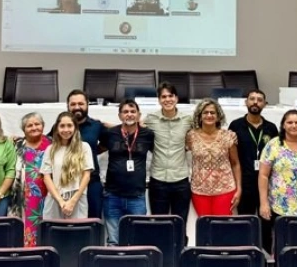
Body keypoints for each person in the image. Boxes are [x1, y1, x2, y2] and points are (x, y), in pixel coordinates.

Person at [258, 110, 297, 252]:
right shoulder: (273, 145)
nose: (294, 125)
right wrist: (263, 203)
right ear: (283, 125)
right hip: (279, 206)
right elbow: (263, 175)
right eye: (289, 122)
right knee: (281, 247)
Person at [100, 99, 154, 245]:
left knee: (137, 240)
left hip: (136, 196)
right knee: (113, 241)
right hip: (112, 196)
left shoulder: (148, 135)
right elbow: (97, 150)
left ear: (138, 115)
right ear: (119, 116)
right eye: (125, 112)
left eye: (132, 111)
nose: (129, 114)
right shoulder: (110, 134)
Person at [144, 82, 192, 231]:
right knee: (158, 225)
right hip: (158, 181)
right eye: (163, 96)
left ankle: (180, 253)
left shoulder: (188, 120)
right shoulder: (151, 119)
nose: (167, 99)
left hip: (181, 181)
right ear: (159, 100)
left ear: (176, 98)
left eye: (170, 96)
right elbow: (131, 127)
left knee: (180, 224)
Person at [186, 99, 241, 217]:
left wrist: (239, 189)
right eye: (205, 113)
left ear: (218, 116)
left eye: (213, 113)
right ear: (200, 116)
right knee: (204, 227)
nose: (209, 115)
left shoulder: (229, 136)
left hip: (225, 190)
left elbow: (235, 163)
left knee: (222, 227)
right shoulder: (191, 136)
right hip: (199, 190)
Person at [229, 90, 279, 215]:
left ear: (265, 104)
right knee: (246, 222)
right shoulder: (235, 126)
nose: (255, 102)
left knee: (266, 222)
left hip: (267, 182)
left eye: (259, 100)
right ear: (246, 102)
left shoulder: (271, 128)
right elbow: (231, 157)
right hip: (245, 182)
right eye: (252, 99)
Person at [41, 112, 94, 219]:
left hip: (77, 198)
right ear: (57, 128)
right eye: (62, 126)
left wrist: (72, 201)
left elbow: (86, 176)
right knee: (53, 233)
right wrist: (61, 201)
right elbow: (46, 177)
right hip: (55, 198)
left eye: (69, 125)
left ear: (75, 127)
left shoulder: (84, 147)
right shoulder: (50, 149)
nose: (66, 130)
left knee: (75, 234)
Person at [63, 90, 106, 219]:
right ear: (68, 106)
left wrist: (91, 152)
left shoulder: (96, 126)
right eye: (73, 104)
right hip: (66, 183)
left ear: (87, 104)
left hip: (92, 182)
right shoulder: (61, 126)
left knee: (94, 221)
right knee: (68, 221)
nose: (77, 107)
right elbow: (46, 142)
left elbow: (108, 143)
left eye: (81, 104)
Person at [13, 112, 51, 246]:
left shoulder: (52, 144)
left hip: (48, 197)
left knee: (46, 230)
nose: (34, 128)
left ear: (43, 126)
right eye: (29, 125)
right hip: (24, 198)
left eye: (37, 124)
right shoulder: (17, 145)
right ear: (24, 129)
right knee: (25, 230)